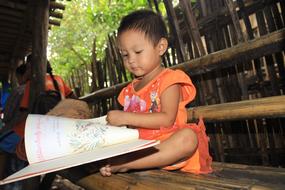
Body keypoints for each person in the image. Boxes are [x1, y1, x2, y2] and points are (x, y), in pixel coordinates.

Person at [99, 9, 212, 177]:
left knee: (188, 138)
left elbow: (167, 119)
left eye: (137, 52)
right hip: (141, 148)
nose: (130, 59)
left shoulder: (169, 80)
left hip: (169, 149)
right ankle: (125, 161)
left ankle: (127, 164)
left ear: (160, 47)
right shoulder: (129, 91)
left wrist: (125, 117)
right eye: (125, 55)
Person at [12, 57, 76, 160]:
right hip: (60, 125)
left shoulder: (31, 84)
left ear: (30, 69)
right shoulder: (58, 79)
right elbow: (74, 97)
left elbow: (24, 111)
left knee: (9, 141)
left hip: (42, 129)